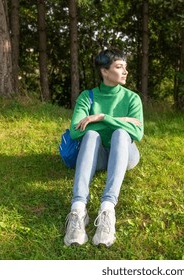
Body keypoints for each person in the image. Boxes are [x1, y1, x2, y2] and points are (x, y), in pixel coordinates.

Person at [64, 48, 144, 247]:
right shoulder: (87, 97)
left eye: (126, 67)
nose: (125, 71)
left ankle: (108, 209)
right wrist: (122, 120)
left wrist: (101, 117)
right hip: (97, 156)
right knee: (90, 135)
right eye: (119, 67)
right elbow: (75, 132)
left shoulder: (132, 98)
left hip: (126, 154)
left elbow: (137, 133)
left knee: (121, 134)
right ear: (104, 72)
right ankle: (78, 210)